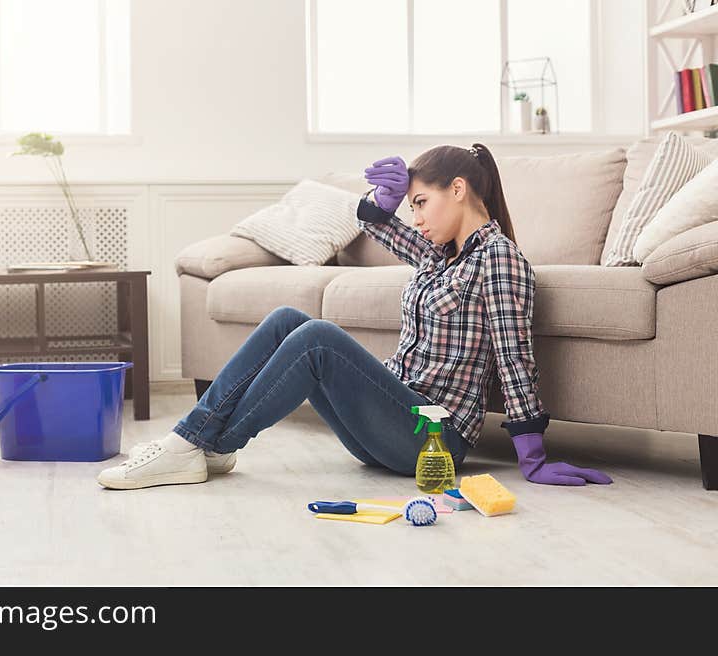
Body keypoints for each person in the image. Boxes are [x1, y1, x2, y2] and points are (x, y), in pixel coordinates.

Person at [97, 143, 613, 490]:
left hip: (434, 441)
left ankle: (198, 444)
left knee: (318, 338)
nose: (416, 217)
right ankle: (200, 444)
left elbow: (514, 354)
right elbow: (383, 228)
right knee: (286, 320)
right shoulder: (444, 255)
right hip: (394, 419)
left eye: (420, 202)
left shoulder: (498, 258)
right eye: (410, 206)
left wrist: (533, 456)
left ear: (458, 190)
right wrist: (379, 202)